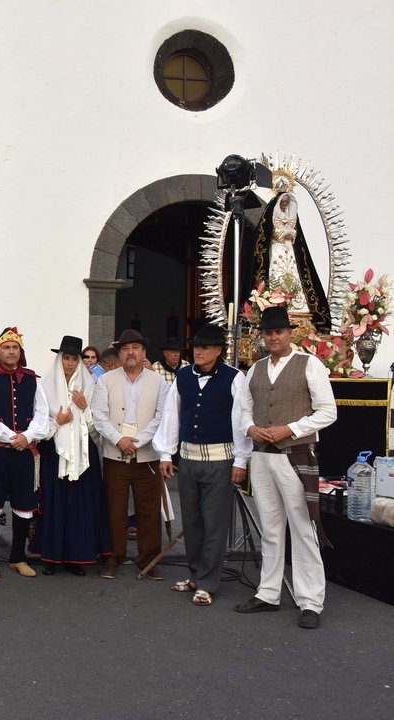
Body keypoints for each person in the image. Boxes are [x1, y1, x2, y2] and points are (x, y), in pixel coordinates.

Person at [235, 306, 337, 629]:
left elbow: (328, 411)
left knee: (303, 529)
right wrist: (251, 429)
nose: (273, 336)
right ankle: (268, 593)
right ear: (263, 336)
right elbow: (244, 410)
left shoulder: (310, 365)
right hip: (262, 458)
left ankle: (311, 602)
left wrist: (290, 429)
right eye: (268, 332)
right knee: (271, 528)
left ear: (290, 333)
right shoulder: (256, 369)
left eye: (279, 331)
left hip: (295, 456)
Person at [154, 324, 251, 606]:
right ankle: (196, 575)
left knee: (214, 523)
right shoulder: (183, 376)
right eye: (196, 346)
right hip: (188, 459)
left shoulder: (234, 378)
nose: (198, 351)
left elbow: (241, 420)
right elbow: (173, 416)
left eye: (205, 347)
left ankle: (208, 582)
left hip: (220, 460)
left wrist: (241, 460)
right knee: (193, 522)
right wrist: (165, 454)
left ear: (218, 351)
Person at [91, 329, 169, 580]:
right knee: (115, 509)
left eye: (135, 348)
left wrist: (138, 440)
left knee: (148, 511)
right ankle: (114, 557)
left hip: (147, 456)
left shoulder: (159, 382)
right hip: (116, 456)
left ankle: (148, 559)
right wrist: (118, 439)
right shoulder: (106, 380)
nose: (131, 352)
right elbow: (99, 415)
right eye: (125, 349)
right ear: (119, 354)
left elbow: (162, 416)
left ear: (144, 352)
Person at [0, 327, 49, 579]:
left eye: (15, 348)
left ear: (21, 351)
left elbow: (42, 414)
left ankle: (18, 556)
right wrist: (11, 437)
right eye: (6, 347)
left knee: (24, 505)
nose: (11, 352)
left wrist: (26, 437)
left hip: (24, 453)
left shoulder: (33, 380)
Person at [34, 335, 109, 575]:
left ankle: (77, 557)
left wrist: (85, 406)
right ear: (59, 360)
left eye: (74, 359)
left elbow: (98, 425)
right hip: (54, 452)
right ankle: (52, 557)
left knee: (80, 505)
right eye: (65, 358)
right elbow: (39, 423)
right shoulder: (45, 387)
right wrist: (58, 421)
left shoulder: (90, 386)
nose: (69, 363)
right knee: (54, 504)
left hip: (83, 452)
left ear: (79, 362)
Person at [239, 168, 332, 332]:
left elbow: (294, 232)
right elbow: (268, 233)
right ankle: (272, 308)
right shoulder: (272, 216)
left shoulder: (291, 215)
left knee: (297, 274)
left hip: (290, 250)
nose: (285, 206)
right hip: (275, 250)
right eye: (283, 204)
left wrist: (290, 234)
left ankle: (300, 310)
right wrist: (279, 235)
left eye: (287, 204)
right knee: (274, 275)